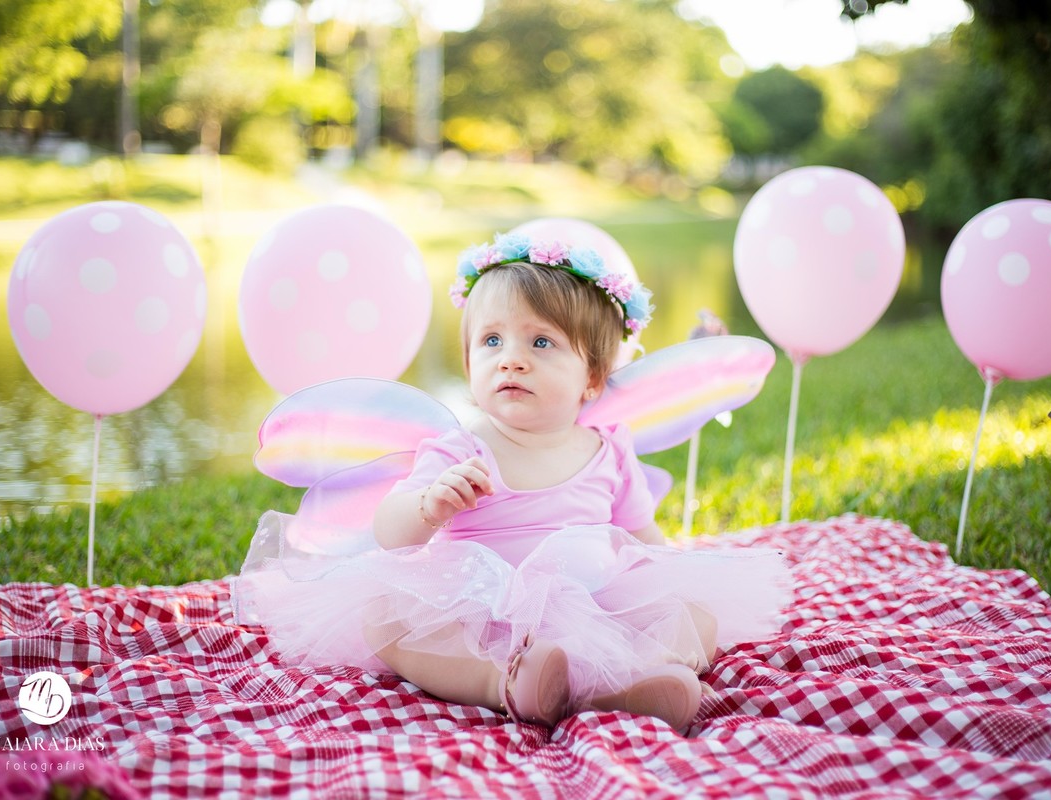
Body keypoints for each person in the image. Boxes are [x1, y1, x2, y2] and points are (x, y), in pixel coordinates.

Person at [234, 233, 791, 731]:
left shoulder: (609, 450)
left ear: (592, 377)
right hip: (483, 615)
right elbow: (390, 532)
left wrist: (673, 591)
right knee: (385, 616)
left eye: (540, 343)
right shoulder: (461, 450)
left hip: (595, 604)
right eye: (492, 342)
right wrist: (429, 507)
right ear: (470, 359)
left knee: (694, 616)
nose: (511, 361)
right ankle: (500, 683)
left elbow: (645, 537)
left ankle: (629, 684)